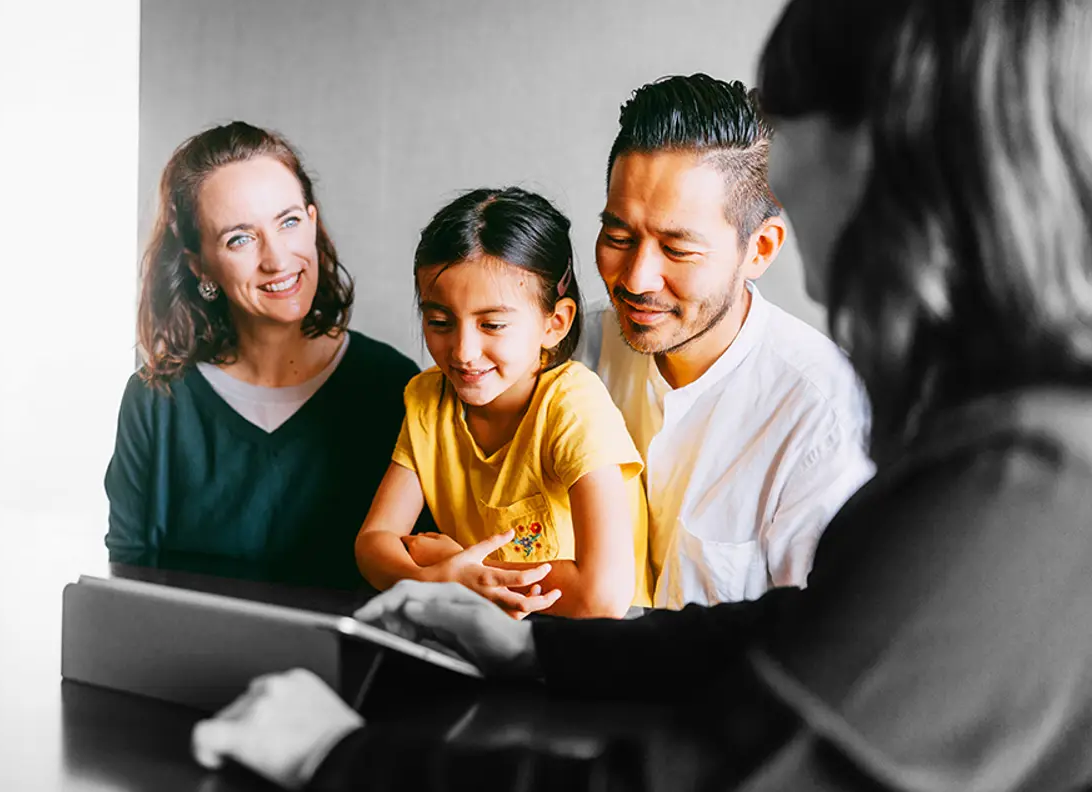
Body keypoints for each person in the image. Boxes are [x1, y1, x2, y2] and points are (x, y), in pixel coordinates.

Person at [190, 0, 1092, 788]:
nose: (834, 287)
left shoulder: (1025, 480)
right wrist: (541, 649)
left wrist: (337, 760)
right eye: (616, 237)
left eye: (841, 243)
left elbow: (742, 764)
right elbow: (802, 626)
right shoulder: (1007, 448)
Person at [580, 73, 873, 608]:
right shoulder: (576, 351)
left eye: (677, 249)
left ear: (759, 249)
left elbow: (815, 636)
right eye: (618, 238)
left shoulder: (822, 416)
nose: (636, 278)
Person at [104, 121, 420, 591]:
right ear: (199, 264)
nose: (276, 259)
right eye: (240, 238)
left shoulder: (394, 388)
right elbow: (126, 589)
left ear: (313, 222)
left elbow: (417, 583)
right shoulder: (156, 403)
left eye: (289, 221)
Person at [353, 187, 650, 619]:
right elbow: (374, 541)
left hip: (592, 650)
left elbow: (602, 596)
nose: (463, 351)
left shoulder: (572, 405)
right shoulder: (427, 399)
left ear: (556, 324)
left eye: (492, 325)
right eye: (439, 322)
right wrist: (438, 579)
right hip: (484, 631)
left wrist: (467, 570)